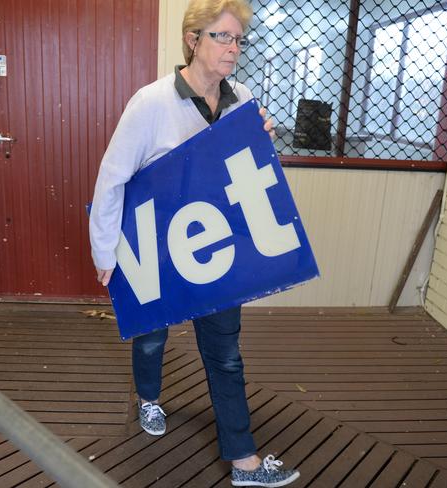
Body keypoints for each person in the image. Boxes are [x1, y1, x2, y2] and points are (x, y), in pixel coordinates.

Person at [89, 1, 299, 486]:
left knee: (225, 351)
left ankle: (244, 462)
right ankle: (149, 398)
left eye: (238, 40)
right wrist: (106, 252)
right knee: (153, 335)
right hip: (159, 243)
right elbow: (112, 178)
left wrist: (261, 142)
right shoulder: (151, 102)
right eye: (222, 37)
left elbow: (252, 170)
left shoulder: (240, 96)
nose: (233, 48)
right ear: (193, 40)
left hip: (216, 243)